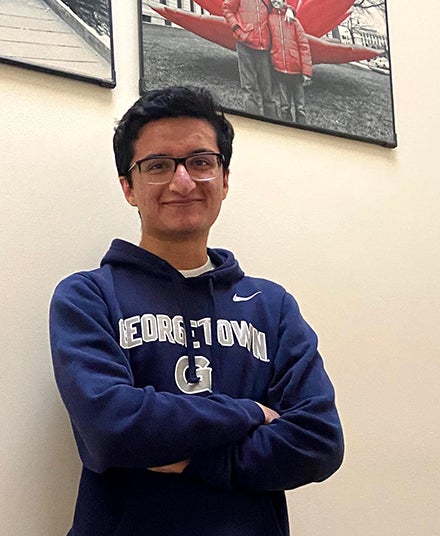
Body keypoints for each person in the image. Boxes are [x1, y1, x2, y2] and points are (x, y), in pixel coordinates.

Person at [49, 86, 344, 536]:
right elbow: (110, 427)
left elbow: (318, 440)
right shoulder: (87, 297)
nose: (182, 181)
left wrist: (197, 459)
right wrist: (251, 412)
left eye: (200, 161)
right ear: (129, 187)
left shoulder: (273, 307)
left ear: (224, 179)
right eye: (158, 166)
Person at [221, 0, 278, 118]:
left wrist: (290, 11)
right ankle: (253, 120)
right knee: (249, 86)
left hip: (264, 45)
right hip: (245, 44)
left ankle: (273, 121)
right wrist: (237, 29)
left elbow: (280, 6)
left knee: (267, 86)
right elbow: (227, 8)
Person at [268, 0, 312, 124]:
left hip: (296, 71)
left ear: (284, 1)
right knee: (284, 106)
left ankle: (302, 129)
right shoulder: (270, 19)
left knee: (300, 107)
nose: (275, 1)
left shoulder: (294, 21)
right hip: (280, 69)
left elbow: (304, 45)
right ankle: (287, 129)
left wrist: (306, 72)